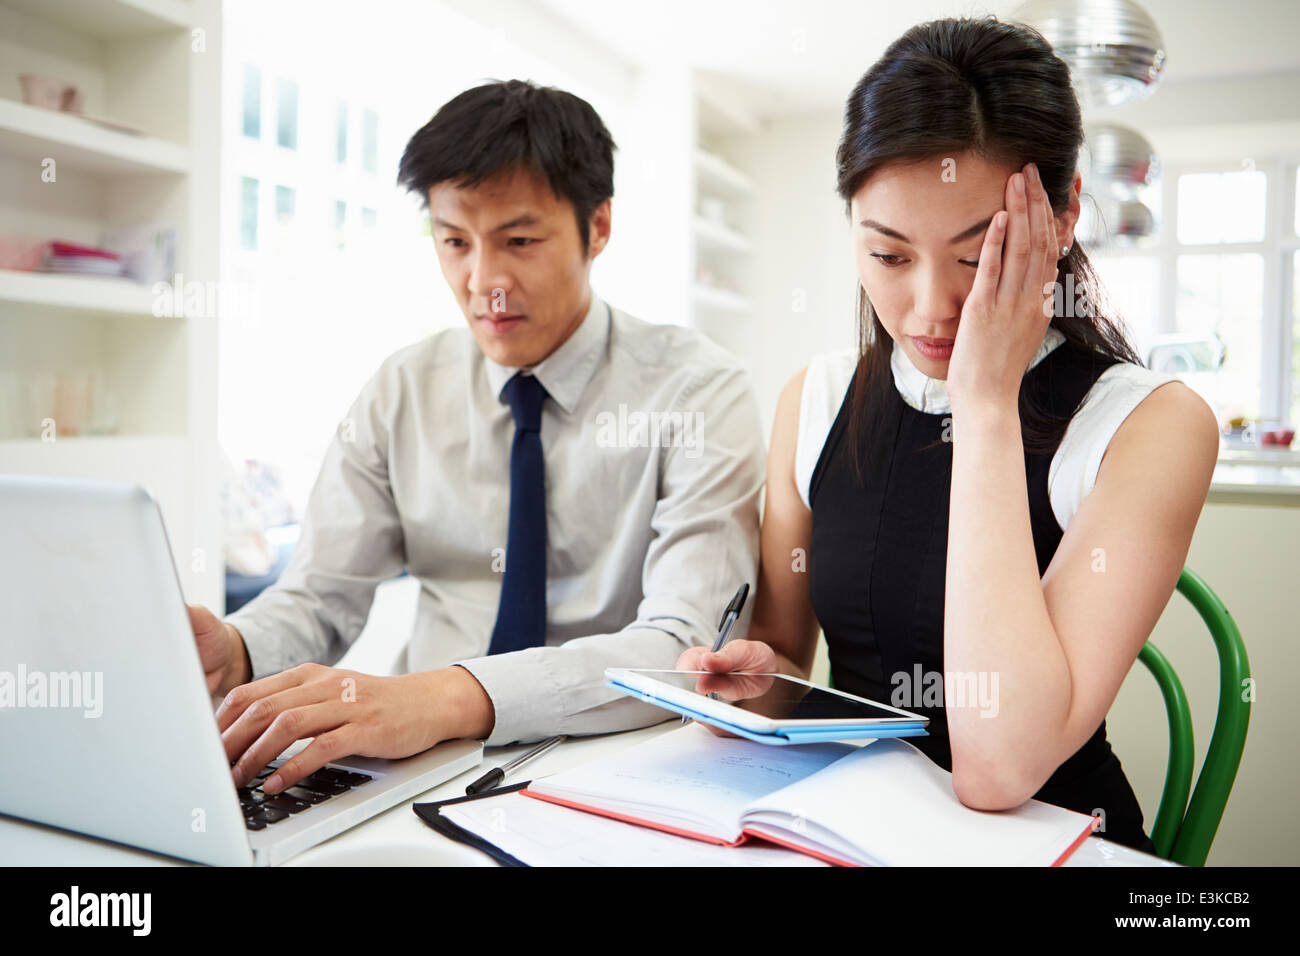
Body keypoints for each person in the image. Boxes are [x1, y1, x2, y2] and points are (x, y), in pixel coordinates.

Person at [679, 16, 1218, 855]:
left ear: (1064, 216)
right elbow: (787, 653)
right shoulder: (815, 399)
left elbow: (998, 771)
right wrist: (751, 685)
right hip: (850, 827)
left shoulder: (1152, 425)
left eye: (976, 258)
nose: (931, 310)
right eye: (889, 256)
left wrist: (986, 402)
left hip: (1053, 840)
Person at [186, 79, 766, 797]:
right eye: (454, 242)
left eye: (519, 241)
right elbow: (321, 595)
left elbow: (683, 648)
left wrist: (443, 697)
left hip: (615, 771)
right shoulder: (403, 389)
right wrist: (237, 648)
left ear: (598, 227)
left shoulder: (699, 392)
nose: (483, 281)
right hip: (414, 768)